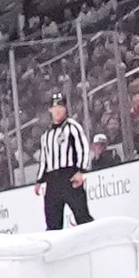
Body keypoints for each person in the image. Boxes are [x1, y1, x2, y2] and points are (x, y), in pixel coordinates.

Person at [38, 98, 93, 230]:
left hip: (69, 176)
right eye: (55, 108)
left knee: (82, 216)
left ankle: (92, 242)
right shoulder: (46, 135)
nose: (58, 110)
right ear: (50, 110)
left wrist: (81, 171)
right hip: (52, 180)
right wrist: (39, 180)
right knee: (52, 221)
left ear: (65, 109)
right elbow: (44, 158)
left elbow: (83, 148)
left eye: (61, 107)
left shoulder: (72, 127)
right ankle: (54, 249)